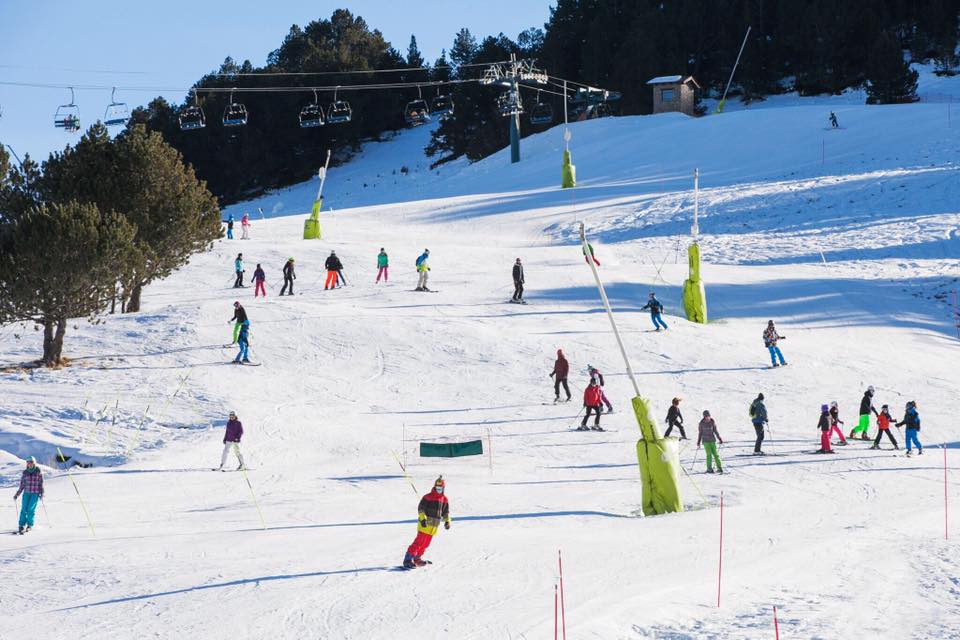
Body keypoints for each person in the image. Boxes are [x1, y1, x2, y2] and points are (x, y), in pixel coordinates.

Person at [403, 476, 451, 568]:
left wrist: (447, 522)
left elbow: (446, 513)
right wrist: (423, 519)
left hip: (433, 528)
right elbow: (421, 509)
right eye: (437, 488)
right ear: (434, 487)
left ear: (443, 488)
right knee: (418, 543)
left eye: (440, 488)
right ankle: (408, 559)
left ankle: (417, 558)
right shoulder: (427, 497)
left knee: (425, 544)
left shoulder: (444, 500)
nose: (438, 490)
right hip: (424, 526)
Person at [13, 457, 44, 534]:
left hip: (35, 493)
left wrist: (41, 493)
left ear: (34, 463)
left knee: (30, 509)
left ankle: (29, 525)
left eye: (31, 462)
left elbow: (41, 483)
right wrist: (17, 494)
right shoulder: (25, 473)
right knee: (24, 509)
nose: (29, 464)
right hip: (26, 493)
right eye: (27, 462)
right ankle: (21, 525)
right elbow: (22, 485)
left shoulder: (38, 471)